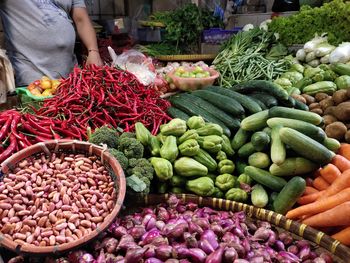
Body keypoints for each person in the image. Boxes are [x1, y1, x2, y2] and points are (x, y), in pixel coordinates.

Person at [0, 0, 103, 86]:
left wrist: (93, 50)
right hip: (30, 74)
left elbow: (81, 19)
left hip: (70, 75)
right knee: (33, 108)